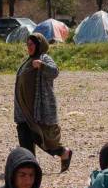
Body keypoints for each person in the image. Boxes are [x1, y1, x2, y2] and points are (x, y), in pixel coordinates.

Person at [14, 33, 74, 172]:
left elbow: (55, 72)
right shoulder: (27, 61)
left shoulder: (44, 58)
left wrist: (42, 65)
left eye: (32, 44)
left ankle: (63, 152)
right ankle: (30, 166)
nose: (29, 47)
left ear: (39, 45)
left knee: (42, 138)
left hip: (38, 110)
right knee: (24, 136)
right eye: (27, 44)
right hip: (23, 110)